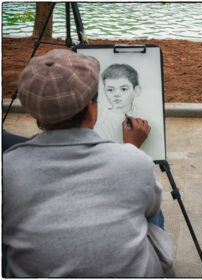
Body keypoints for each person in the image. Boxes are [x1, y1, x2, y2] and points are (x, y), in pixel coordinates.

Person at [3, 49, 174, 277]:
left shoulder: (8, 166)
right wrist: (131, 149)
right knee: (152, 209)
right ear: (92, 109)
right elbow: (148, 207)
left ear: (35, 115)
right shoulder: (134, 161)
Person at [94, 63, 144, 143]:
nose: (116, 94)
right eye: (110, 90)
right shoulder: (99, 118)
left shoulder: (144, 115)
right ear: (105, 91)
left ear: (136, 90)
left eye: (123, 89)